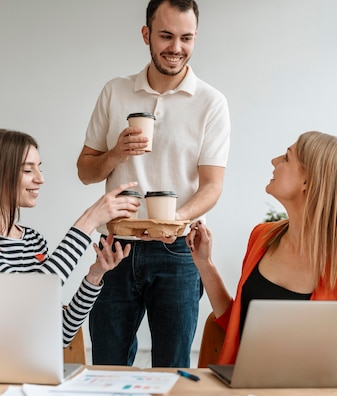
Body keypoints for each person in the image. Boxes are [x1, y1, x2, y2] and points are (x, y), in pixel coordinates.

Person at [76, 0, 231, 367]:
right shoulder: (115, 91)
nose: (176, 48)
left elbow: (212, 186)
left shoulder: (211, 102)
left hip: (178, 250)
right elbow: (85, 171)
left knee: (171, 368)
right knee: (107, 367)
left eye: (186, 38)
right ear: (146, 34)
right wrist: (115, 154)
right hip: (115, 248)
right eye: (165, 36)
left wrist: (174, 220)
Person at [186, 131, 337, 364]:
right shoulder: (262, 236)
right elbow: (237, 328)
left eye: (287, 158)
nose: (274, 161)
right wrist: (204, 264)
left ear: (308, 181)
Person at [0, 128, 141, 347]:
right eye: (27, 170)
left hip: (27, 372)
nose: (40, 179)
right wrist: (88, 221)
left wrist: (94, 276)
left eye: (39, 169)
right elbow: (30, 295)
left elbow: (59, 335)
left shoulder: (33, 241)